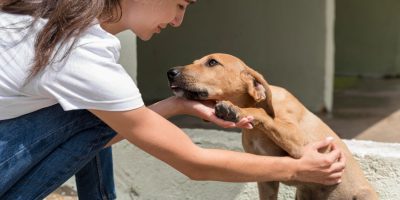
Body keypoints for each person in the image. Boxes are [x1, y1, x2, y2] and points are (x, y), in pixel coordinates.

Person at [0, 0, 346, 199]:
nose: (178, 21)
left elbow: (112, 129)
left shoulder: (53, 15)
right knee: (93, 113)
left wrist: (178, 105)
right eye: (179, 5)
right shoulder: (81, 53)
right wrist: (299, 168)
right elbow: (193, 163)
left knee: (100, 113)